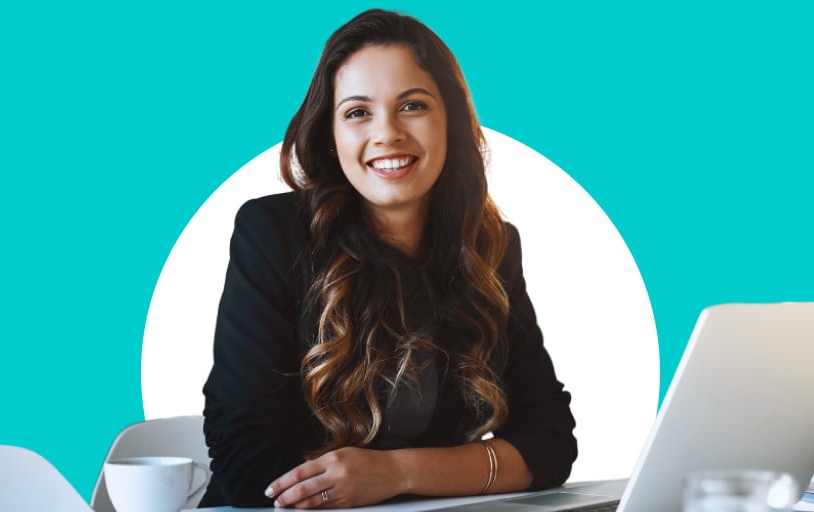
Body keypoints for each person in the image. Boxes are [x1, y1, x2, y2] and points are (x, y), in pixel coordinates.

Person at [199, 9, 576, 509]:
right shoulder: (272, 233)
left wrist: (396, 473)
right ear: (331, 137)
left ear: (452, 123)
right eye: (358, 112)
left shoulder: (491, 246)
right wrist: (456, 472)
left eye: (413, 106)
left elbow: (549, 442)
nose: (388, 134)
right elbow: (244, 458)